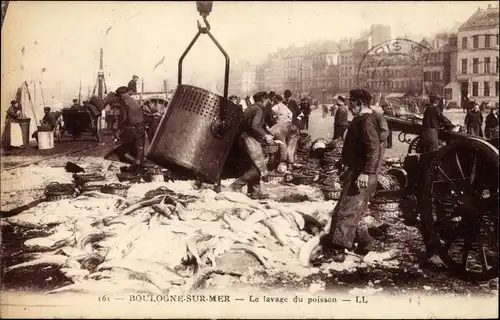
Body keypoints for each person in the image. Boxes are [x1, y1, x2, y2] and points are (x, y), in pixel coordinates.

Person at [319, 89, 381, 262]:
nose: (349, 105)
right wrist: (345, 161)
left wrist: (366, 172)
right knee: (350, 210)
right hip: (356, 171)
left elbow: (373, 149)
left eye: (351, 102)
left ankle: (338, 251)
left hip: (362, 175)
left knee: (346, 212)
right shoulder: (361, 119)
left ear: (360, 103)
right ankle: (365, 243)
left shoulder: (366, 121)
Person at [229, 91, 273, 200]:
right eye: (267, 99)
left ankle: (254, 192)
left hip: (243, 138)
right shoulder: (259, 109)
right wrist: (265, 136)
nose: (268, 102)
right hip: (249, 138)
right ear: (263, 99)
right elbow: (255, 126)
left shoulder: (251, 108)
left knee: (253, 166)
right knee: (259, 167)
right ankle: (236, 186)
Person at [104, 86, 146, 170]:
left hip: (132, 129)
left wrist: (118, 129)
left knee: (118, 148)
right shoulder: (133, 101)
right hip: (140, 127)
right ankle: (138, 163)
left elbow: (124, 118)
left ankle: (134, 163)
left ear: (122, 95)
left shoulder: (124, 103)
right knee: (138, 149)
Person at [269, 94, 299, 173]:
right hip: (289, 126)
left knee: (286, 146)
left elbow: (282, 147)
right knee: (290, 146)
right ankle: (289, 164)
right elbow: (291, 115)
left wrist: (282, 161)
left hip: (288, 129)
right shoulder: (284, 106)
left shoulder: (275, 132)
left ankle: (286, 164)